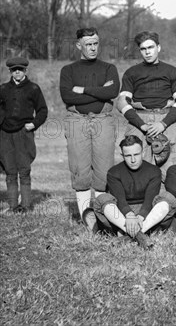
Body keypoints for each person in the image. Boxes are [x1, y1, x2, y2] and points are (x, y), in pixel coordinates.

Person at [59, 27, 120, 227]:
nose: (93, 48)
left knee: (104, 171)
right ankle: (89, 222)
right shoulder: (68, 70)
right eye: (88, 45)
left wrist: (83, 90)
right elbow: (68, 96)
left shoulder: (109, 68)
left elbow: (111, 91)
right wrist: (99, 91)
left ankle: (103, 219)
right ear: (79, 45)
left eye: (95, 44)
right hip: (77, 121)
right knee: (80, 170)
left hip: (103, 120)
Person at [117, 31, 176, 170]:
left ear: (158, 47)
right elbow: (121, 102)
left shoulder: (171, 71)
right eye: (143, 49)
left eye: (150, 47)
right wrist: (142, 125)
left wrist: (163, 124)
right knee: (138, 172)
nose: (147, 52)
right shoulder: (132, 72)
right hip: (140, 121)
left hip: (166, 120)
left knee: (171, 171)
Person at [93, 136, 176, 249]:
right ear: (122, 155)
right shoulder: (114, 172)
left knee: (169, 198)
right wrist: (129, 216)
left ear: (142, 153)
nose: (133, 160)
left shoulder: (154, 171)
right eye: (128, 156)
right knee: (102, 199)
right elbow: (120, 200)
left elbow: (149, 200)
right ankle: (140, 236)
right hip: (122, 216)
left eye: (136, 154)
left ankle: (128, 236)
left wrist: (140, 217)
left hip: (147, 215)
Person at [0, 57, 47, 213]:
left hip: (23, 132)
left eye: (20, 69)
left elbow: (42, 110)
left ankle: (26, 206)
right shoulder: (3, 88)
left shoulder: (33, 88)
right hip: (5, 134)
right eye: (14, 70)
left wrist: (34, 123)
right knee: (10, 170)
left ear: (25, 70)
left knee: (24, 169)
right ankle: (13, 206)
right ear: (10, 71)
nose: (17, 72)